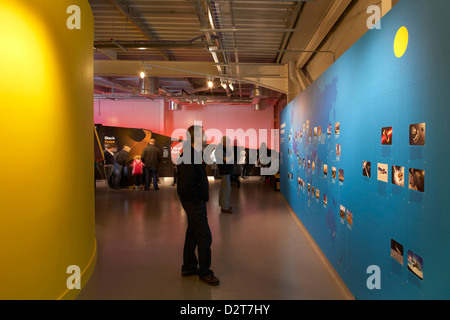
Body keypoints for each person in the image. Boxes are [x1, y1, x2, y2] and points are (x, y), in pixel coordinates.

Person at [177, 125, 219, 286]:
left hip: (194, 201)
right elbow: (187, 185)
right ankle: (205, 272)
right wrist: (197, 200)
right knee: (204, 236)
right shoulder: (189, 155)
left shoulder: (193, 153)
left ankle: (188, 267)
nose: (206, 137)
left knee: (192, 234)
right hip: (193, 202)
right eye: (203, 135)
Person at [217, 136, 233, 213]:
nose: (229, 143)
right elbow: (226, 159)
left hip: (225, 171)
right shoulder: (220, 149)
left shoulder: (222, 149)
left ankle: (223, 205)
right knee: (226, 189)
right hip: (224, 171)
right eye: (228, 142)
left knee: (224, 189)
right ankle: (224, 207)